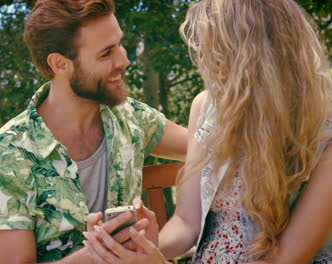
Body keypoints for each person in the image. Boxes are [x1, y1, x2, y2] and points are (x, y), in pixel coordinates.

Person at [83, 0, 332, 263]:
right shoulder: (206, 107)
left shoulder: (322, 128)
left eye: (212, 50)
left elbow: (287, 259)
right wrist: (141, 247)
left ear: (251, 58)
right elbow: (186, 223)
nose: (201, 60)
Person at [0, 0, 188, 263]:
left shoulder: (130, 118)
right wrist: (100, 253)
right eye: (106, 53)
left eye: (120, 44)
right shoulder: (6, 154)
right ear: (60, 64)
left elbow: (210, 146)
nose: (124, 60)